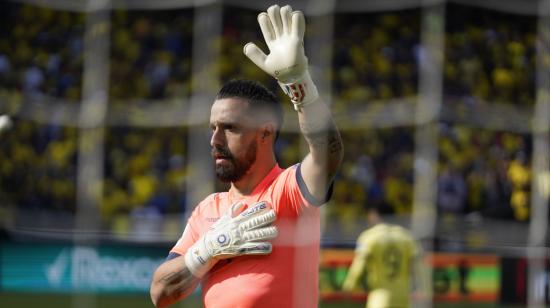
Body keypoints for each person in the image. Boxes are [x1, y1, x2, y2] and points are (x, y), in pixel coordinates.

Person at [150, 4, 343, 308]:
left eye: (230, 128)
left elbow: (327, 154)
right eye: (213, 127)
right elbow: (160, 293)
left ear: (265, 133)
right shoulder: (207, 210)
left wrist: (299, 83)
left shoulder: (290, 190)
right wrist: (208, 249)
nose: (215, 139)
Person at [342, 206, 425, 308]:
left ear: (374, 215)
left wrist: (349, 286)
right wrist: (421, 289)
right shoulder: (407, 237)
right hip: (403, 298)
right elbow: (417, 267)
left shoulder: (369, 237)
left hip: (380, 298)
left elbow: (359, 265)